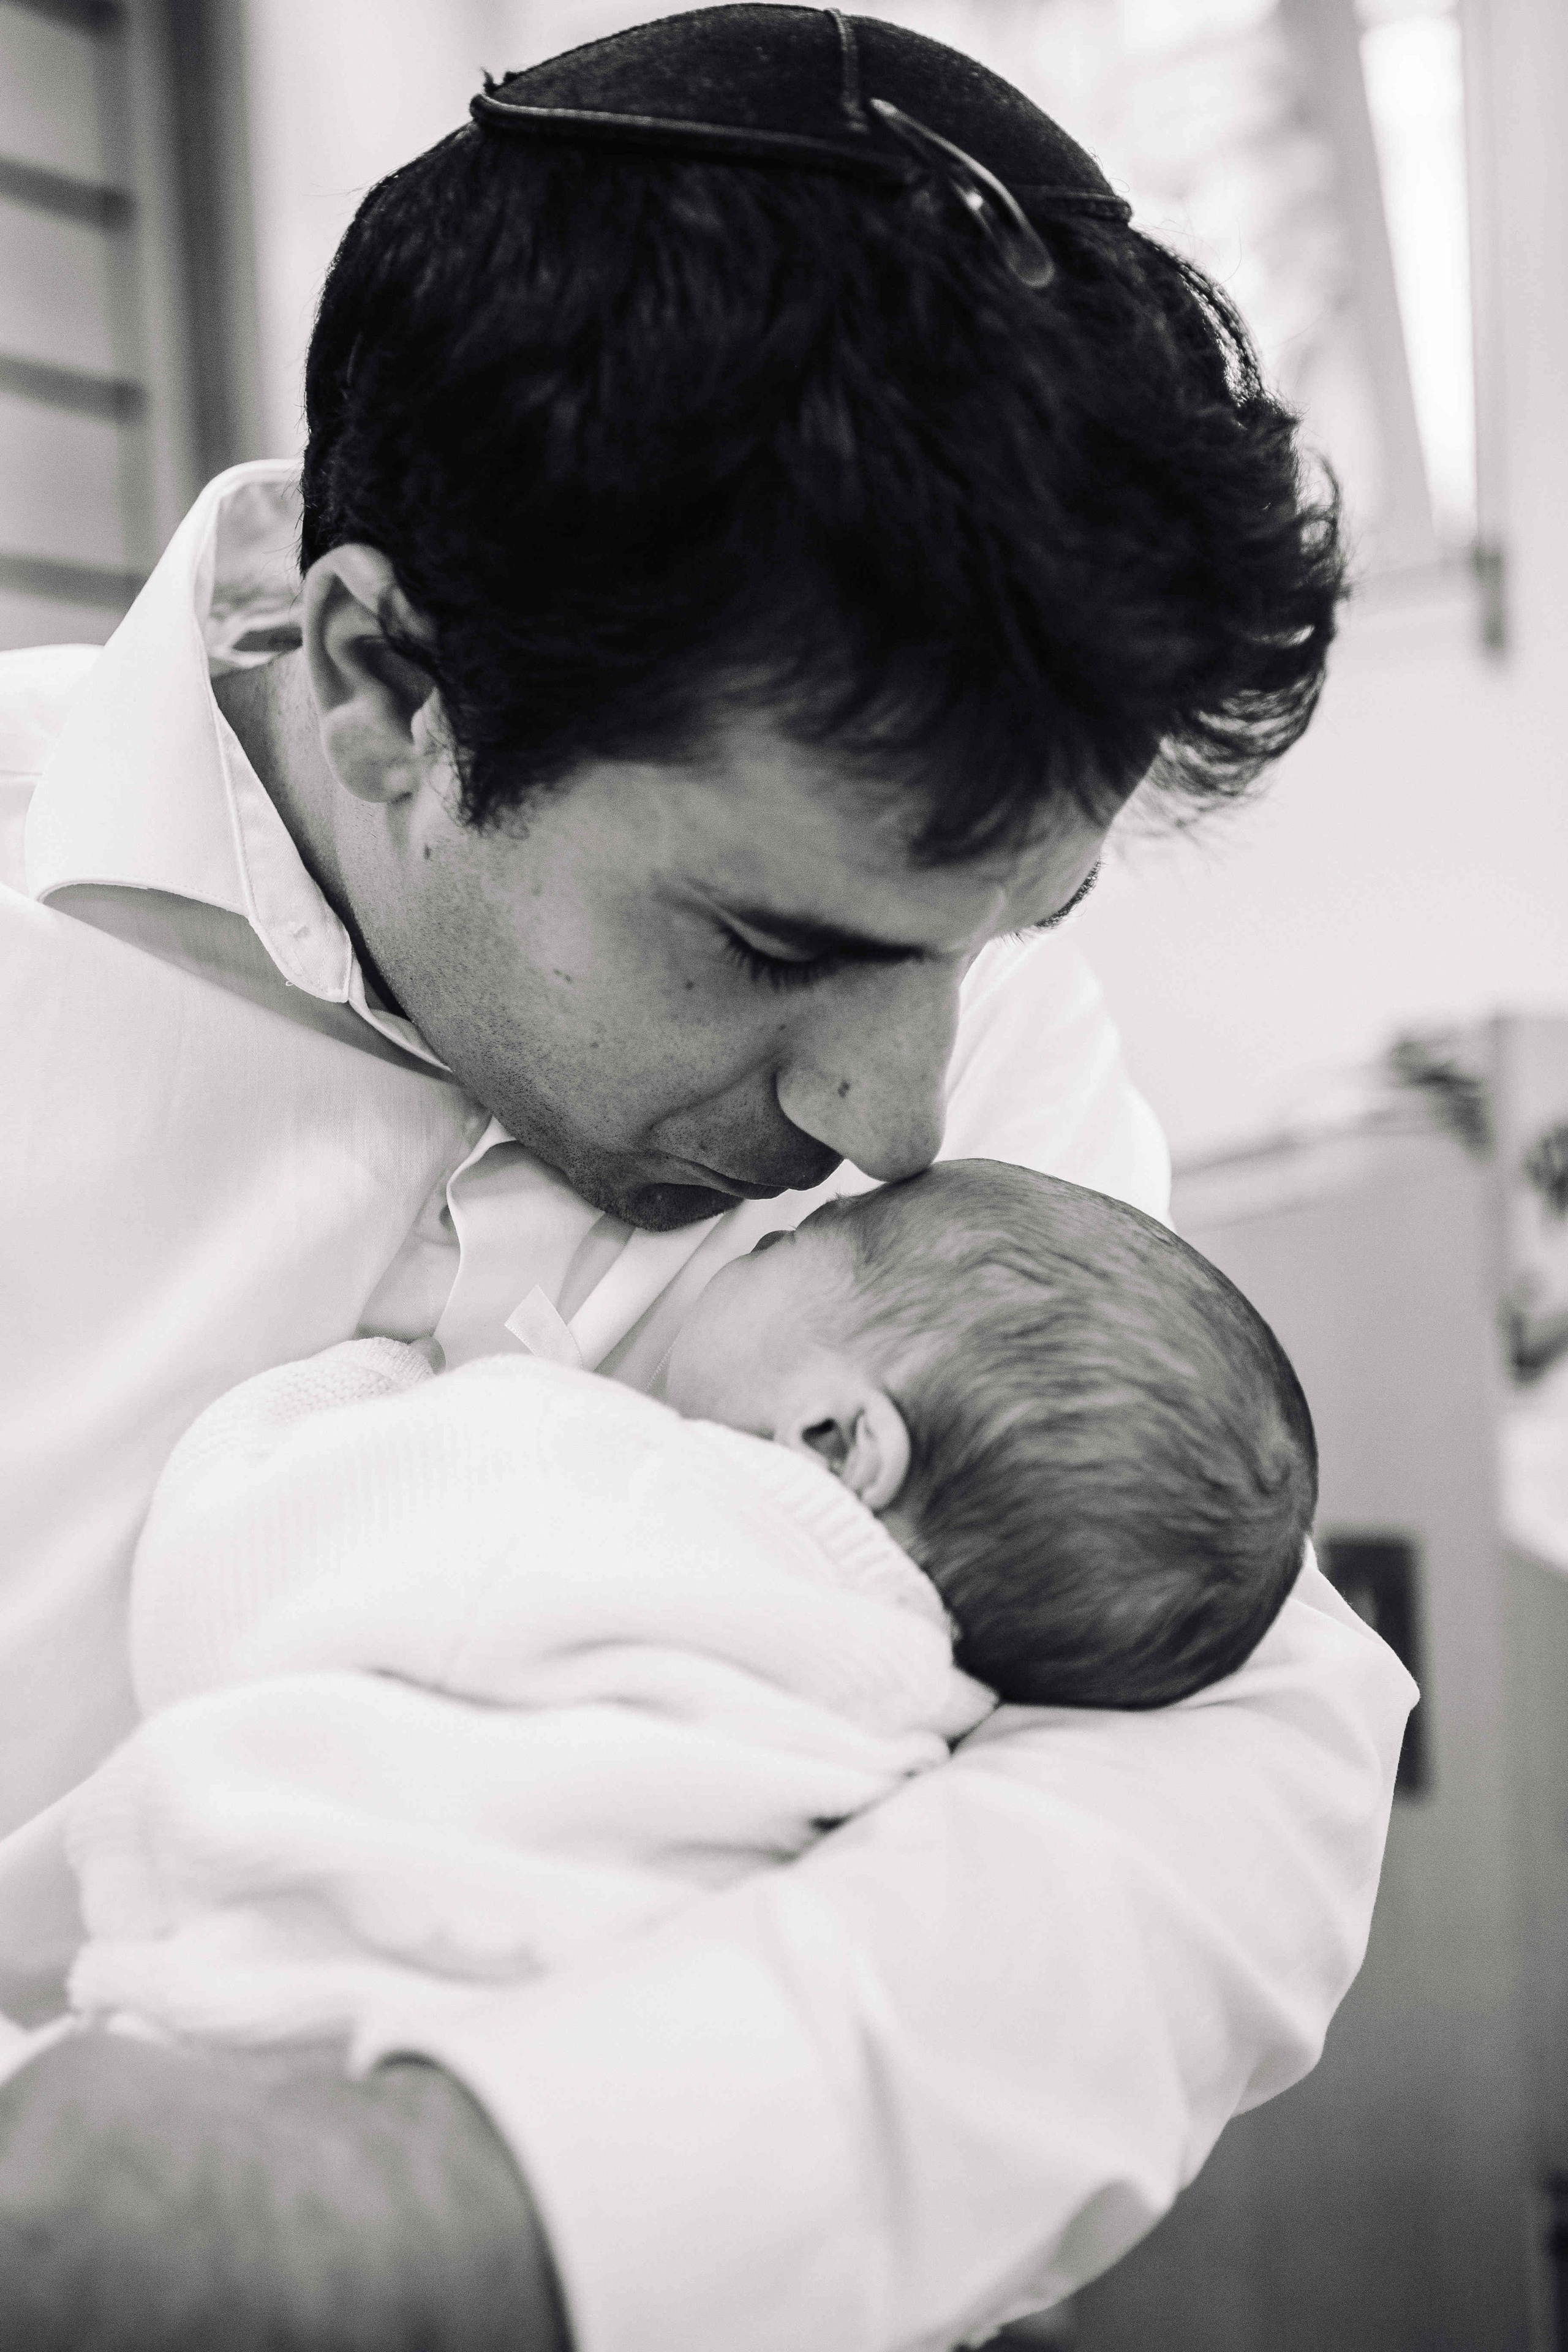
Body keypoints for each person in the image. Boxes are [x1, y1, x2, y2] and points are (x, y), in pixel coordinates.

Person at [0, 9, 1415, 2348]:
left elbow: (1221, 1776)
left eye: (1005, 936)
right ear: (383, 683)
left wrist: (519, 2199)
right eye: (773, 948)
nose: (902, 1122)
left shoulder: (953, 1018)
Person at [61, 1159, 1323, 2057]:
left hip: (262, 2016)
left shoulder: (595, 1479)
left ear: (837, 1441)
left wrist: (365, 1385)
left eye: (792, 1246)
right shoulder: (915, 1729)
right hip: (572, 2090)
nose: (757, 1240)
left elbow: (218, 1595)